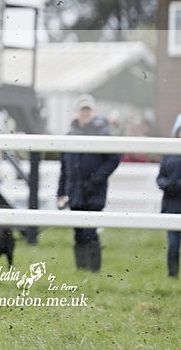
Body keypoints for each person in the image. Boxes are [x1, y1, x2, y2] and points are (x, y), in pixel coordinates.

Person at [57, 94, 121, 272]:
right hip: (75, 191)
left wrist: (95, 179)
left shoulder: (103, 133)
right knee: (78, 233)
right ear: (77, 112)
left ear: (93, 112)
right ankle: (81, 269)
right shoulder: (69, 135)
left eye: (88, 110)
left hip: (94, 192)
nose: (85, 113)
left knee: (90, 232)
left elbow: (113, 159)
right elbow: (64, 167)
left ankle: (93, 270)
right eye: (82, 110)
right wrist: (60, 192)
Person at [156, 113, 181, 278]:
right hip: (171, 205)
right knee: (172, 244)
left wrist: (177, 186)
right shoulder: (168, 152)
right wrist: (167, 186)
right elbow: (160, 177)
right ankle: (172, 274)